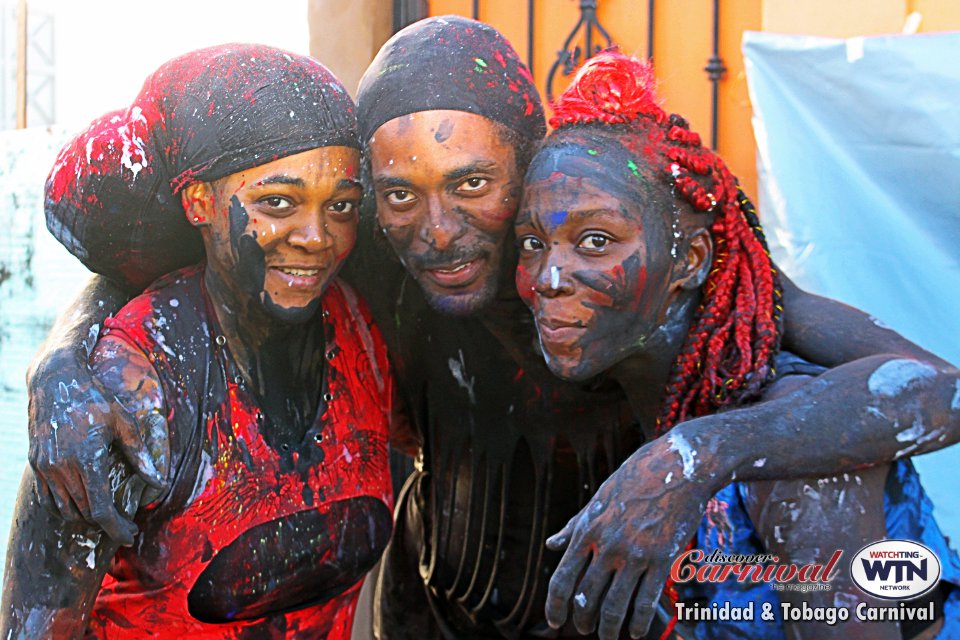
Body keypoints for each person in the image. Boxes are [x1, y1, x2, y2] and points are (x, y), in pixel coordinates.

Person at [23, 16, 960, 640]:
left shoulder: (606, 256)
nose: (438, 230)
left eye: (473, 183)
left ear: (533, 160)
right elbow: (194, 271)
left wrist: (691, 455)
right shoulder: (375, 254)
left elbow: (931, 385)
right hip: (434, 612)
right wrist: (65, 363)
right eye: (398, 194)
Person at [514, 51, 960, 639]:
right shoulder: (621, 377)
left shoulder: (798, 457)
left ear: (692, 260)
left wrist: (693, 456)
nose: (548, 277)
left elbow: (941, 390)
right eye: (531, 242)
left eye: (596, 240)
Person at [1, 44, 395, 639]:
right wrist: (61, 354)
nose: (316, 237)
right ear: (200, 203)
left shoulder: (360, 324)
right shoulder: (123, 386)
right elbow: (34, 625)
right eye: (278, 203)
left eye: (339, 205)